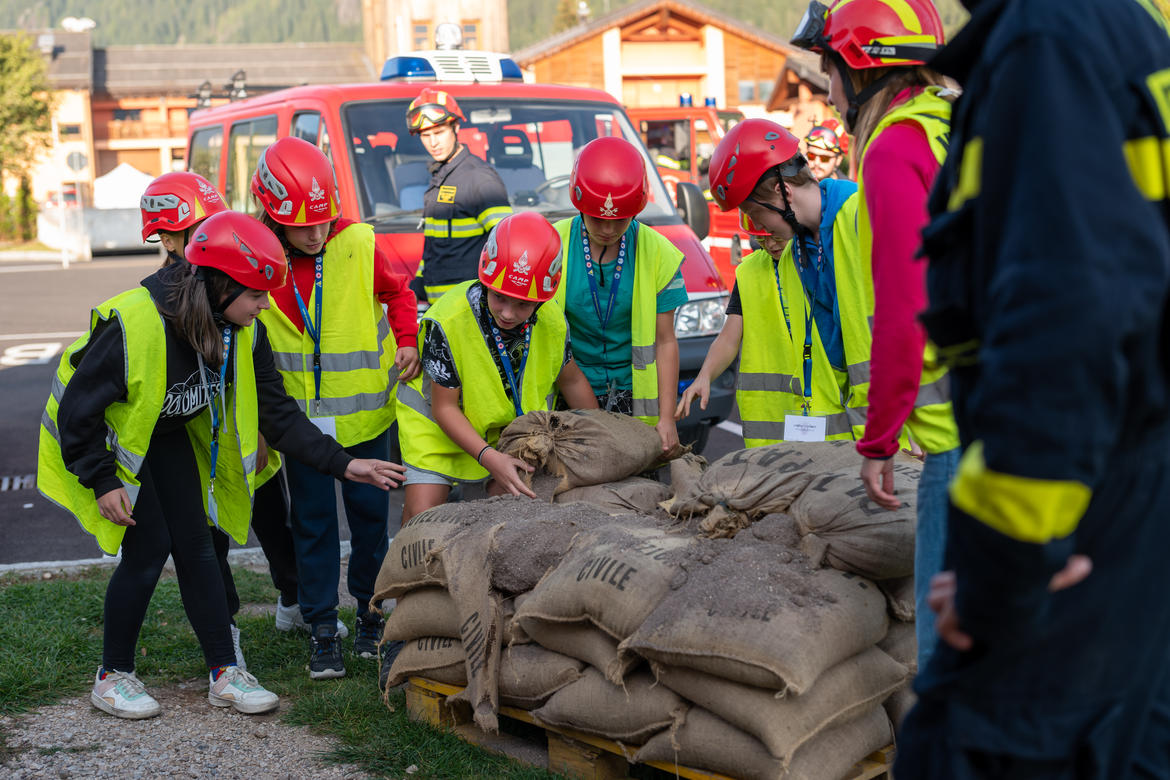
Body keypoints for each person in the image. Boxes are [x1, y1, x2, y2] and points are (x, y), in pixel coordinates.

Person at [891, 0, 1170, 776]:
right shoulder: (1122, 30)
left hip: (1083, 519)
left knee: (959, 746)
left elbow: (1064, 330)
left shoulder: (1050, 46)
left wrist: (998, 579)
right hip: (1127, 506)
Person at [37, 211, 406, 720]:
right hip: (103, 441)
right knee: (148, 552)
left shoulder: (241, 329)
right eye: (256, 294)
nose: (265, 305)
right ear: (221, 285)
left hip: (166, 435)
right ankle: (112, 676)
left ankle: (224, 671)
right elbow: (79, 412)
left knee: (196, 546)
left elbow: (279, 416)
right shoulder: (137, 322)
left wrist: (346, 466)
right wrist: (101, 478)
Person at [792, 0, 960, 669]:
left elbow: (904, 309)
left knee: (944, 649)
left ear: (862, 67)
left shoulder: (896, 148)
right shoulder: (963, 129)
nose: (827, 93)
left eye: (830, 71)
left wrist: (880, 437)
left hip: (958, 446)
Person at [250, 136, 421, 680]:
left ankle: (370, 614)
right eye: (303, 227)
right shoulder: (258, 253)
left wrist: (408, 338)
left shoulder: (360, 243)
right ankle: (321, 624)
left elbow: (399, 294)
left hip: (368, 418)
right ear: (273, 216)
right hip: (302, 430)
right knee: (314, 523)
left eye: (324, 222)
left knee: (371, 524)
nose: (317, 234)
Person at [139, 171, 327, 654]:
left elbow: (257, 381)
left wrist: (261, 431)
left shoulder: (229, 284)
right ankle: (226, 624)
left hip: (246, 434)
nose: (206, 237)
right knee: (208, 539)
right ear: (164, 236)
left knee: (271, 517)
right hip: (199, 445)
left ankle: (292, 595)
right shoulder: (160, 300)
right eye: (193, 230)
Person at [396, 211, 598, 521]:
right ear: (486, 279)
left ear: (543, 299)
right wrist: (489, 459)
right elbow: (445, 408)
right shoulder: (447, 320)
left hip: (506, 433)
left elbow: (572, 382)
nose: (508, 312)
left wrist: (597, 436)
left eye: (523, 304)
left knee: (510, 519)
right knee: (421, 521)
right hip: (437, 431)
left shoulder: (552, 321)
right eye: (500, 297)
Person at [677, 118, 866, 446]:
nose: (761, 229)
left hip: (896, 428)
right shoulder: (802, 249)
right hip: (860, 430)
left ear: (782, 191)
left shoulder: (857, 215)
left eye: (757, 212)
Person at [551, 136, 687, 453]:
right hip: (567, 394)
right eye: (598, 219)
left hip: (635, 402)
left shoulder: (659, 253)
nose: (609, 230)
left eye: (620, 220)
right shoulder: (552, 245)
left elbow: (665, 341)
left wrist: (667, 419)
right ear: (580, 204)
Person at [408, 87, 512, 304]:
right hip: (440, 310)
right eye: (425, 136)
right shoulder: (440, 177)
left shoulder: (479, 178)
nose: (432, 143)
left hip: (470, 307)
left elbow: (507, 244)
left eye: (439, 133)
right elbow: (434, 246)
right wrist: (417, 284)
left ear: (455, 127)